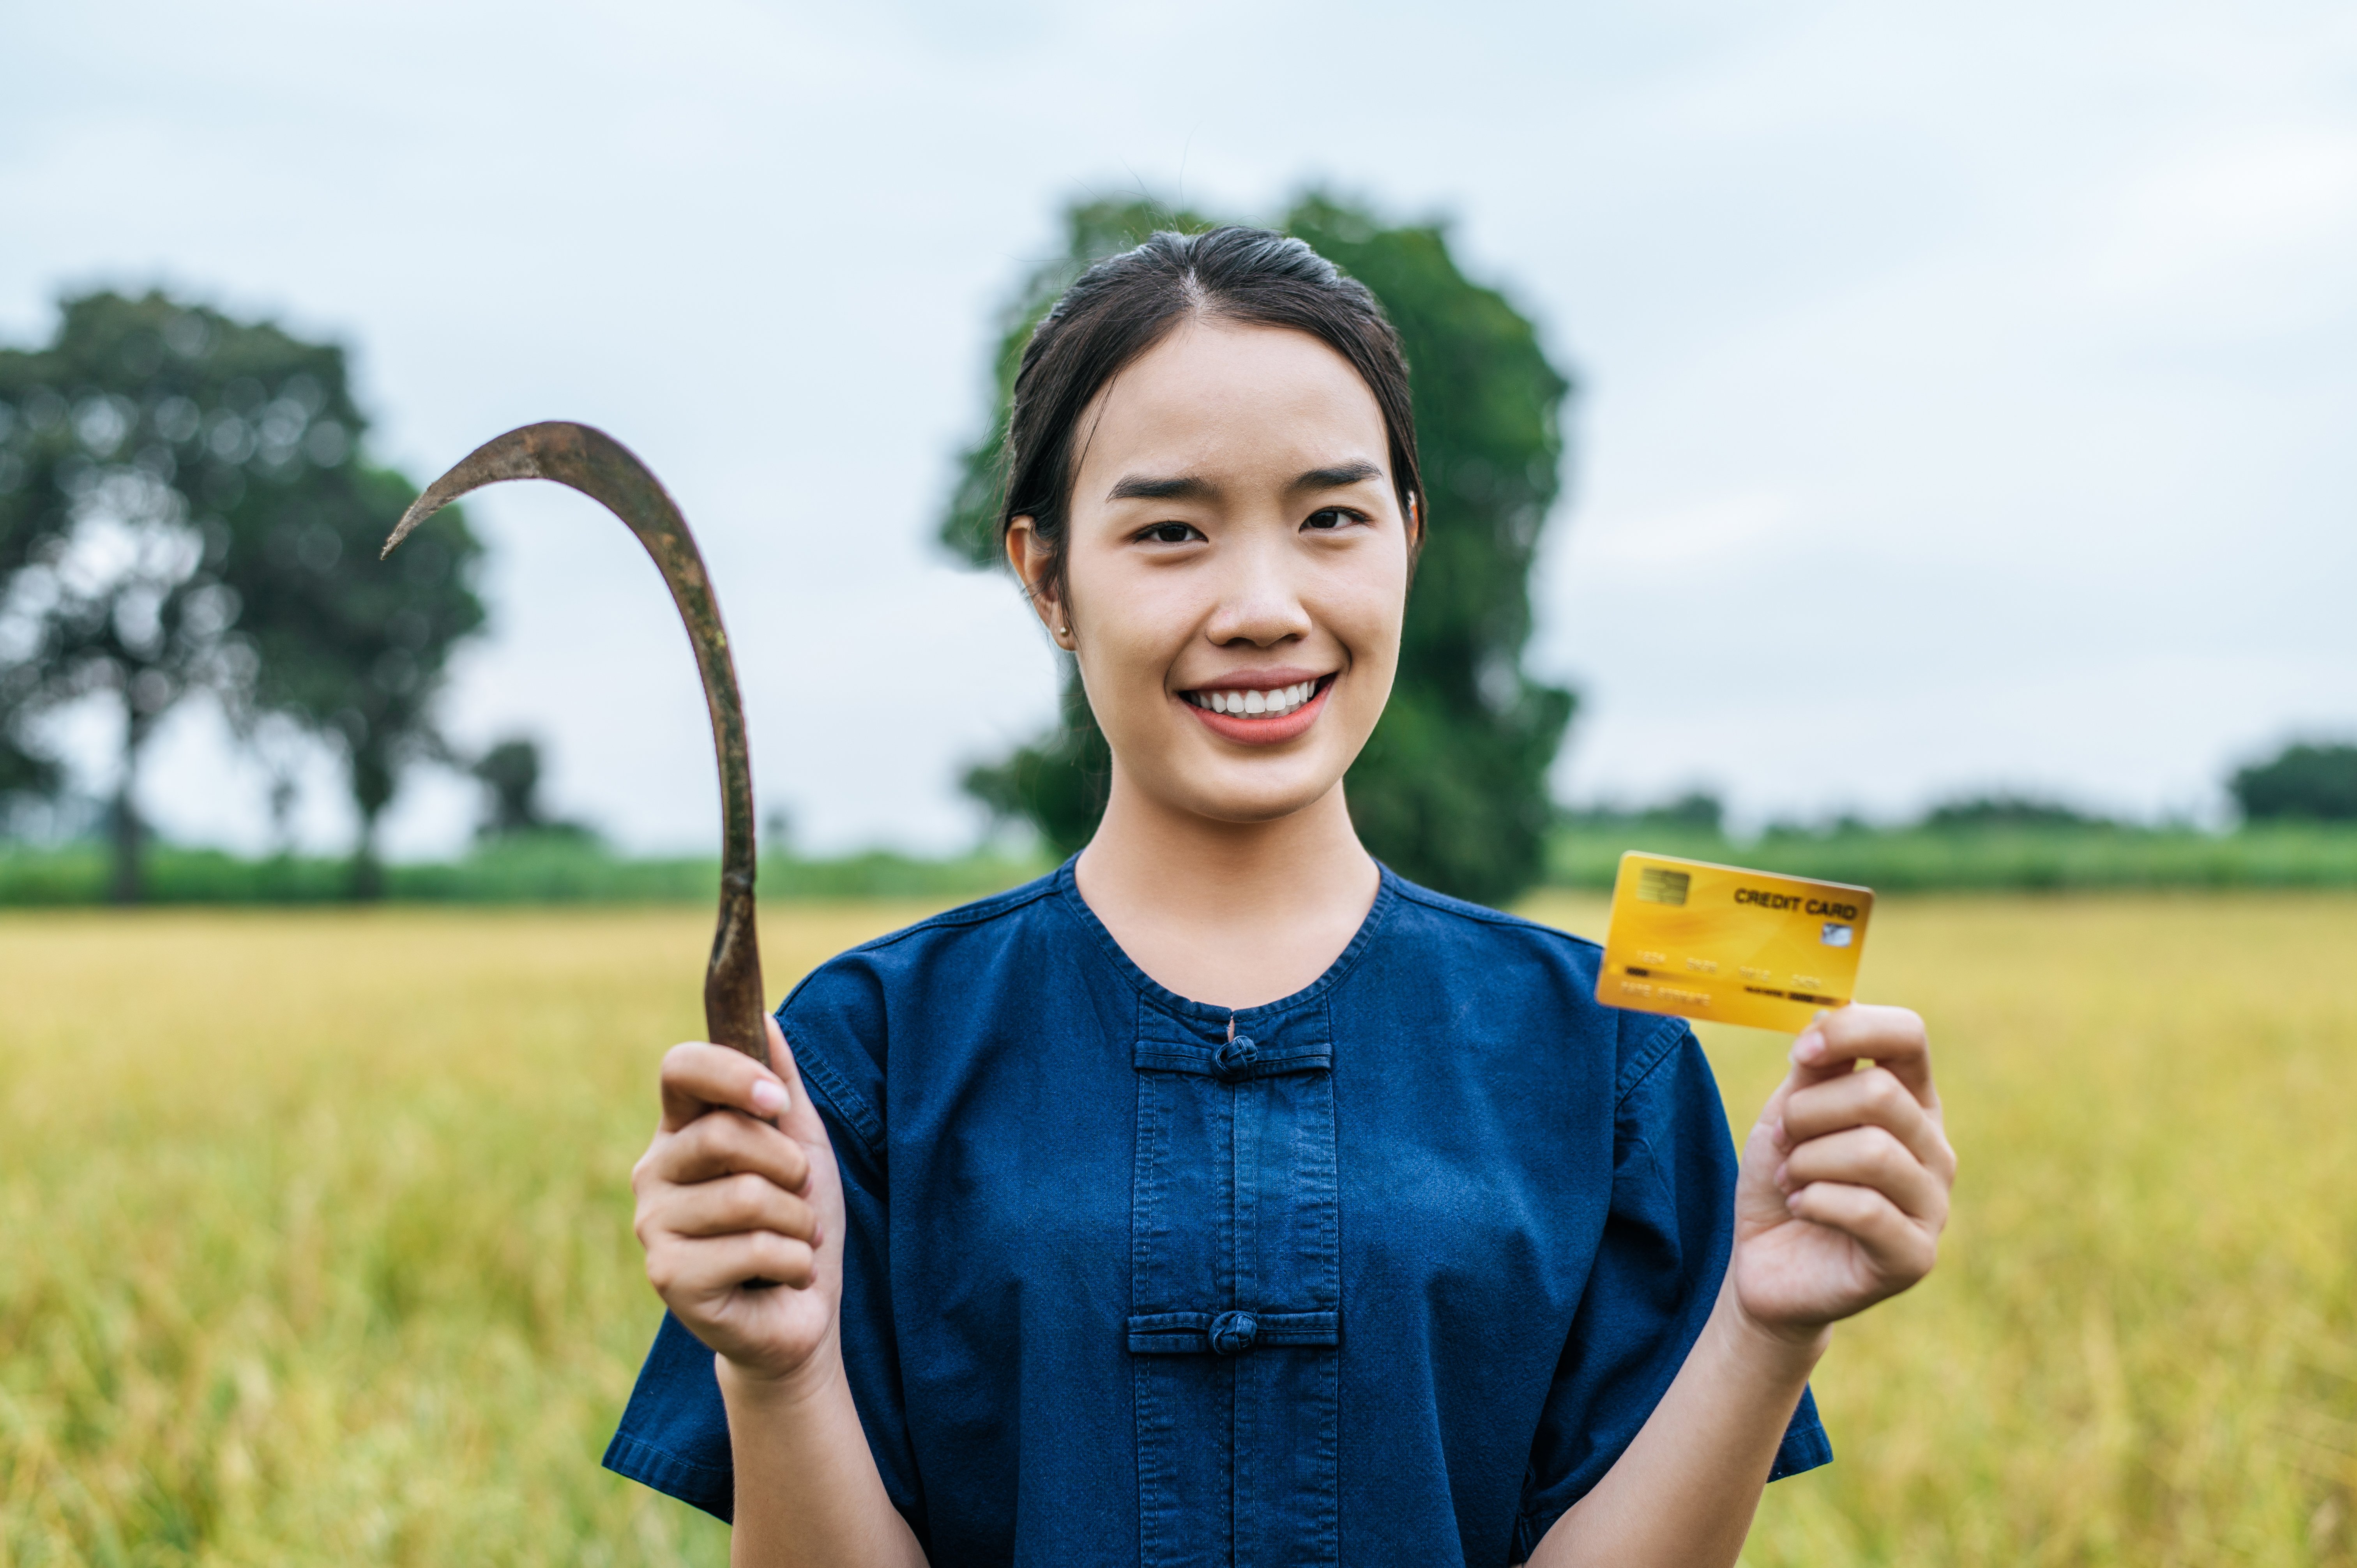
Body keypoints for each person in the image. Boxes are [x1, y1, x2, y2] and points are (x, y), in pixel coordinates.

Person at [604, 227, 1956, 1567]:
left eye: (1331, 519)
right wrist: (778, 1376)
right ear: (1046, 575)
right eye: (1172, 530)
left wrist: (1765, 1329)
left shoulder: (1605, 1051)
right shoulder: (865, 1057)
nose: (1263, 605)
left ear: (1409, 542)